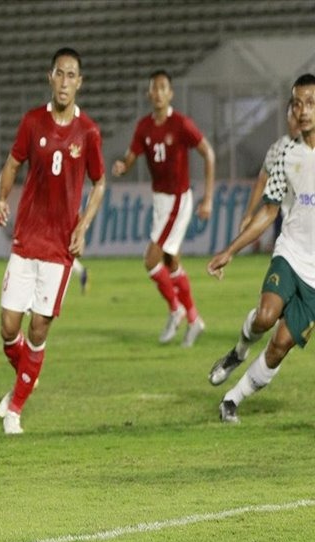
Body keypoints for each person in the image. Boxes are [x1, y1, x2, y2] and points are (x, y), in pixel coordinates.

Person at [0, 47, 106, 435]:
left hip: (60, 249)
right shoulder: (32, 122)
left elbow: (100, 182)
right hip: (27, 239)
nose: (64, 81)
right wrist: (2, 197)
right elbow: (13, 163)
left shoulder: (88, 131)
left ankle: (16, 408)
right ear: (50, 77)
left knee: (38, 329)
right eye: (59, 73)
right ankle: (28, 374)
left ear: (79, 82)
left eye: (71, 75)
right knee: (9, 327)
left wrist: (83, 226)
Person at [206, 74, 314, 424]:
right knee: (266, 317)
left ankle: (232, 400)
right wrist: (230, 250)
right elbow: (269, 212)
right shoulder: (285, 154)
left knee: (280, 346)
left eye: (311, 103)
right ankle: (238, 352)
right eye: (297, 103)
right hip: (290, 254)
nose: (303, 111)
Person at [112, 69, 214, 347]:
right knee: (170, 262)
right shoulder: (144, 127)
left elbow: (208, 153)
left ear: (170, 93)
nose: (158, 92)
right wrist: (123, 166)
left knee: (151, 259)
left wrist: (208, 198)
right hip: (160, 200)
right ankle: (194, 319)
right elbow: (131, 156)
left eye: (162, 87)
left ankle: (175, 309)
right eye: (154, 88)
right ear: (149, 94)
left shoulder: (181, 124)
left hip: (178, 199)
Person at [239, 99, 299, 250]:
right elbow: (262, 181)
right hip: (286, 218)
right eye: (293, 115)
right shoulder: (278, 149)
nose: (297, 121)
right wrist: (249, 214)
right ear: (287, 118)